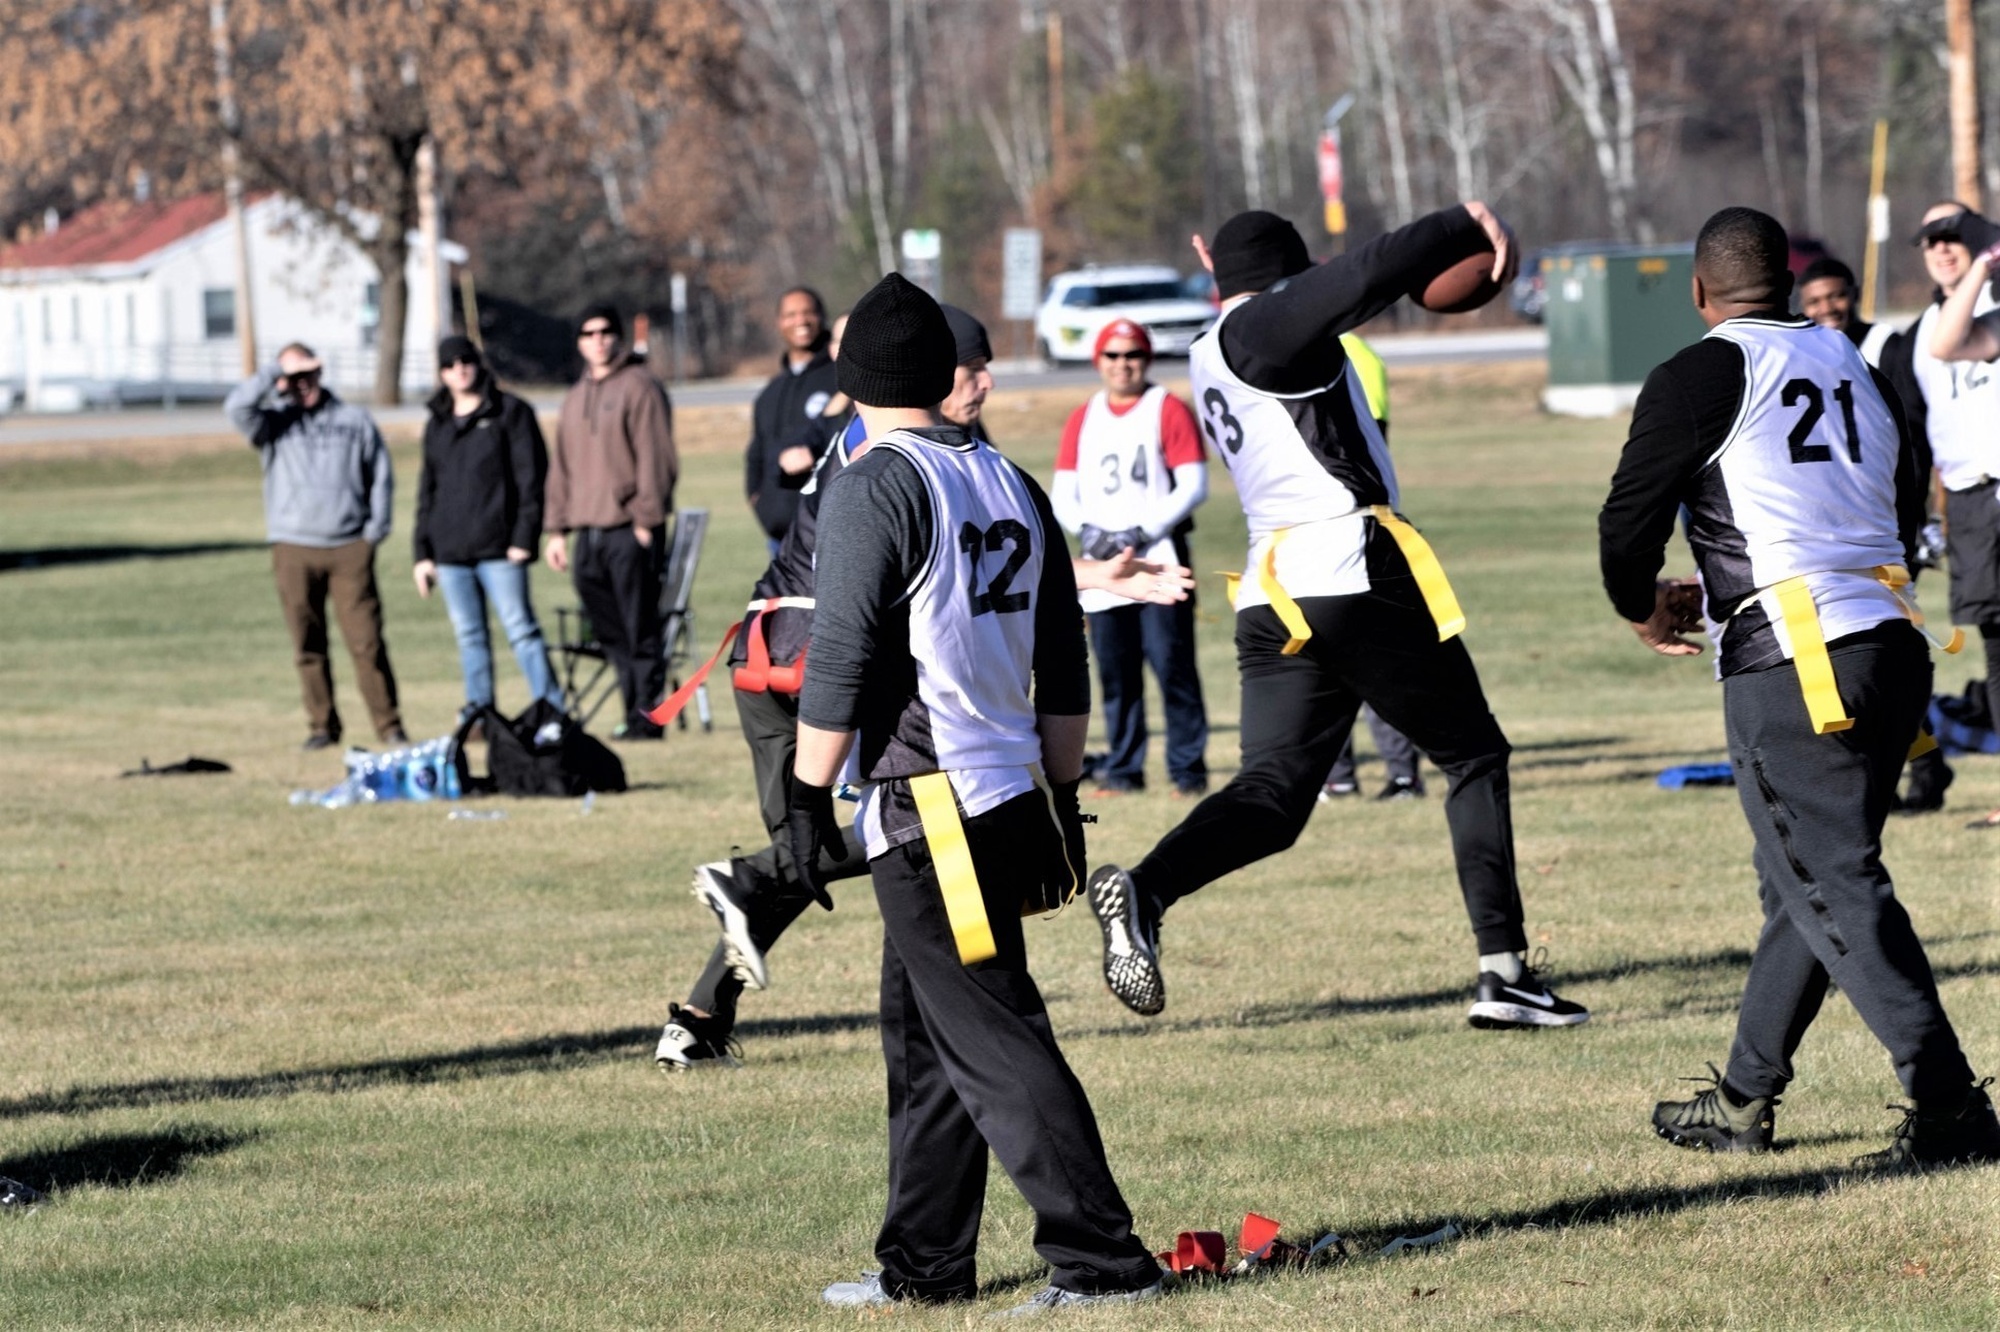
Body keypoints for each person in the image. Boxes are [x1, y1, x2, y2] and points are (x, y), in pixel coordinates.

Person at [1083, 207, 1588, 1032]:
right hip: (1347, 564)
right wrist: (1466, 220)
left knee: (1275, 798)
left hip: (1273, 583)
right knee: (1472, 753)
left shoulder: (1212, 343)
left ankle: (1146, 888)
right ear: (1293, 277)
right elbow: (1371, 269)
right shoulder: (1268, 326)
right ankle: (1505, 976)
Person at [656, 306, 1193, 1070]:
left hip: (805, 660)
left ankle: (702, 1014)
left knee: (878, 852)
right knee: (893, 839)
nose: (982, 382)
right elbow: (933, 575)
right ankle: (745, 896)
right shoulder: (888, 454)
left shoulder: (938, 450)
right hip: (805, 666)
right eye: (967, 368)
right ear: (930, 375)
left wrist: (1091, 575)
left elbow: (975, 561)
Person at [1601, 205, 1999, 1170]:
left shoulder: (1700, 370)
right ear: (1788, 281)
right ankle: (1742, 1098)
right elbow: (1907, 494)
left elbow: (1626, 524)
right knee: (1804, 882)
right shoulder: (1856, 360)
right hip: (1889, 634)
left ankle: (1950, 1106)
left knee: (1833, 882)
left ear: (1701, 292)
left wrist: (1644, 607)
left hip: (1797, 654)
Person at [797, 273, 1163, 1314]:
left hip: (933, 804)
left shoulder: (877, 479)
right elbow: (1065, 654)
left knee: (996, 1039)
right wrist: (1060, 792)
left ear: (854, 377)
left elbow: (841, 653)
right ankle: (923, 1265)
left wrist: (800, 794)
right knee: (924, 1041)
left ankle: (1102, 1262)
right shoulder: (1005, 476)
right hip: (995, 790)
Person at [1052, 317, 1210, 796]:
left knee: (1172, 665)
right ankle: (1124, 770)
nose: (1124, 365)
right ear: (1099, 361)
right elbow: (1063, 492)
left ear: (1147, 359)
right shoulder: (1085, 415)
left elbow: (1193, 483)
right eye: (1113, 355)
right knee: (1115, 673)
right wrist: (1090, 530)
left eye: (1133, 354)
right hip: (1105, 569)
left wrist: (1143, 529)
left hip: (1158, 559)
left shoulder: (1167, 408)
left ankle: (1188, 770)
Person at [226, 341, 406, 750]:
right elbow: (236, 407)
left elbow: (380, 473)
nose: (302, 384)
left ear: (320, 374)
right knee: (307, 643)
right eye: (294, 378)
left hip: (348, 547)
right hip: (293, 546)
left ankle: (389, 724)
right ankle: (322, 726)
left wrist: (374, 531)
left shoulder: (353, 419)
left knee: (366, 641)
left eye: (308, 375)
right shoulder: (273, 424)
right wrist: (277, 373)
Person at [543, 303, 679, 741]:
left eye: (605, 331)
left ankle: (647, 718)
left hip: (630, 529)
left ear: (617, 337)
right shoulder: (574, 396)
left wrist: (646, 519)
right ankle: (630, 710)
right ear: (579, 342)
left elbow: (655, 458)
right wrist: (557, 530)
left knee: (640, 629)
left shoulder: (639, 387)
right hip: (588, 533)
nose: (597, 340)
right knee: (609, 633)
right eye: (588, 333)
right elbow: (560, 468)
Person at [410, 337, 561, 724]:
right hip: (451, 553)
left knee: (522, 632)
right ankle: (479, 716)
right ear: (442, 374)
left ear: (478, 364)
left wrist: (523, 539)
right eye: (450, 365)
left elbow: (532, 480)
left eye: (466, 361)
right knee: (470, 638)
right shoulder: (437, 422)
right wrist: (422, 554)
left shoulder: (510, 412)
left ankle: (551, 713)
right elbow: (428, 491)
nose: (459, 369)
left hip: (501, 550)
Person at [1320, 331, 1425, 801]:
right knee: (1322, 657)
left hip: (1354, 525)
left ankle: (1402, 775)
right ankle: (1338, 776)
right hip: (1315, 528)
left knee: (1374, 655)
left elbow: (1362, 437)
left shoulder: (1353, 351)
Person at [1917, 220, 2000, 813]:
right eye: (1930, 238)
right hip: (1972, 501)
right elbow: (1947, 344)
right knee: (1996, 648)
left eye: (1957, 234)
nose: (1942, 247)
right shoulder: (1926, 329)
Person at [744, 288, 840, 549]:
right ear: (779, 323)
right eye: (791, 314)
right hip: (778, 537)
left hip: (826, 534)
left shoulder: (840, 379)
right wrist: (757, 497)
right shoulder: (772, 390)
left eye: (808, 312)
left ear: (822, 317)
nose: (801, 321)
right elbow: (756, 452)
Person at [1798, 256, 1895, 366]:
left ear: (1856, 294)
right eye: (1814, 302)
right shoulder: (1799, 355)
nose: (1826, 309)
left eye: (1836, 296)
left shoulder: (1883, 343)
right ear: (1803, 307)